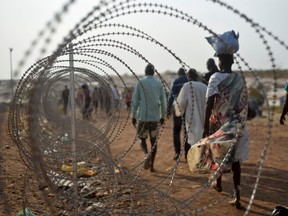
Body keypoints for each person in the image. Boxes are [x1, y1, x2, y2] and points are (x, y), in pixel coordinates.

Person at [187, 54, 249, 210]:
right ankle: (237, 196)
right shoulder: (239, 78)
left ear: (220, 61)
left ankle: (218, 182)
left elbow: (209, 103)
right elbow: (243, 102)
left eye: (219, 59)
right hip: (235, 123)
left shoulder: (215, 77)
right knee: (235, 161)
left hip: (219, 123)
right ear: (233, 61)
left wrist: (205, 126)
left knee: (216, 153)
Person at [131, 63, 167, 172]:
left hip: (143, 116)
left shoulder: (140, 83)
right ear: (154, 72)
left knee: (142, 139)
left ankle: (146, 154)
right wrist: (162, 116)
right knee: (154, 141)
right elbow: (163, 102)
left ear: (145, 72)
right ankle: (152, 167)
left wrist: (133, 115)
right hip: (155, 117)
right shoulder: (159, 84)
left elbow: (135, 101)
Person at [174, 68, 207, 159]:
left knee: (190, 136)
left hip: (191, 115)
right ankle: (201, 157)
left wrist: (179, 112)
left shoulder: (187, 86)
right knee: (202, 135)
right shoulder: (204, 86)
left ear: (188, 76)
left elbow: (181, 103)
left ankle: (191, 157)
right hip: (203, 115)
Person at [167, 68, 188, 160]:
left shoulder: (175, 81)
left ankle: (177, 152)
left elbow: (171, 95)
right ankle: (188, 153)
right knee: (187, 131)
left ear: (178, 73)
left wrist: (168, 108)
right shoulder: (188, 80)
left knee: (176, 130)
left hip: (177, 108)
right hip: (188, 108)